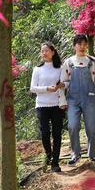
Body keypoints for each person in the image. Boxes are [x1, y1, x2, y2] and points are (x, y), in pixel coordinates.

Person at [60, 34, 95, 165]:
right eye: (79, 44)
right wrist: (62, 100)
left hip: (90, 98)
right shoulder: (68, 62)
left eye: (84, 44)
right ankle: (75, 154)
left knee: (92, 128)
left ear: (87, 45)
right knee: (73, 126)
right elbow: (63, 82)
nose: (82, 46)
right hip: (73, 100)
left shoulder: (92, 62)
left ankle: (92, 155)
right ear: (74, 46)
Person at [29, 42, 66, 172]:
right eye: (42, 51)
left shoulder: (60, 68)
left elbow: (67, 82)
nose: (44, 53)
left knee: (57, 134)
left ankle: (55, 163)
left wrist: (63, 85)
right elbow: (33, 88)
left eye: (46, 51)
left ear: (53, 52)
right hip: (42, 105)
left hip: (57, 105)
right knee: (45, 133)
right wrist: (46, 89)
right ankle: (49, 156)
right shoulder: (37, 69)